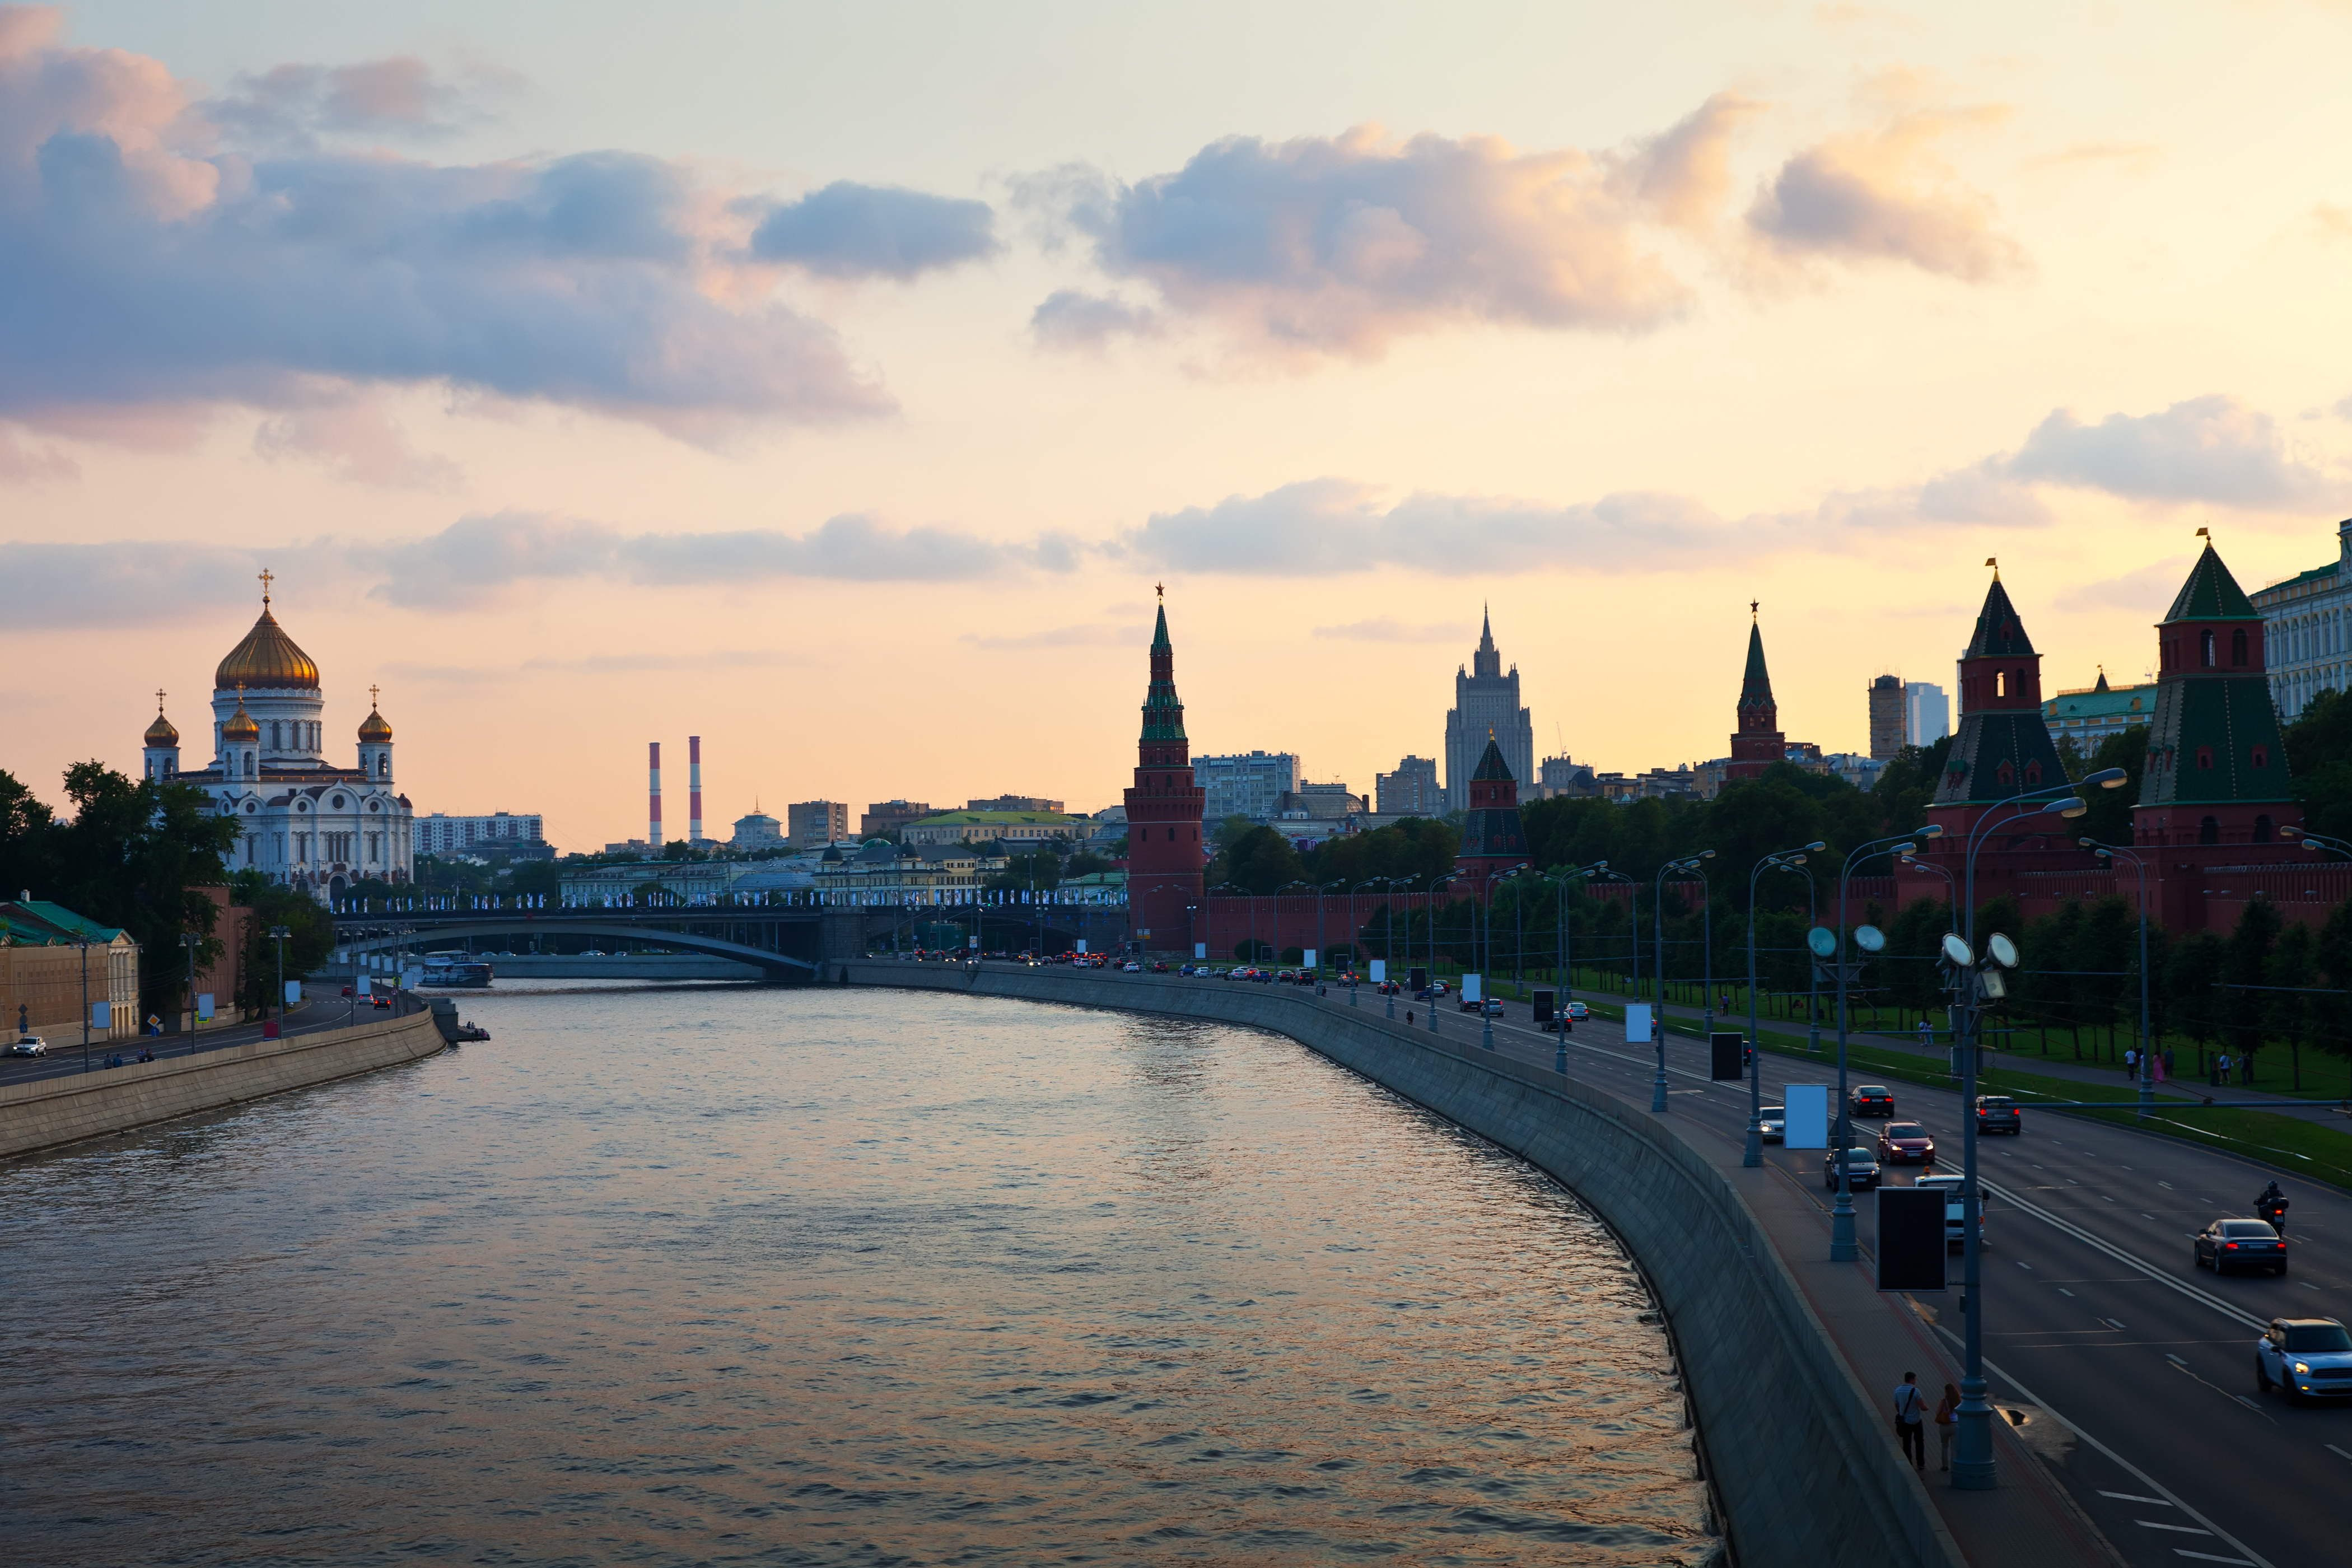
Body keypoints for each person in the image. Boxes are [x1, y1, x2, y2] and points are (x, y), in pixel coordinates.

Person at [1892, 1372, 1927, 1471]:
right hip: (1916, 1420)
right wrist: (1927, 1408)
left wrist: (1902, 1413)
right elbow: (1922, 1406)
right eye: (1915, 1379)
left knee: (1906, 1443)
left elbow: (1897, 1406)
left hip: (1905, 1422)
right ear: (1912, 1380)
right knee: (1919, 1441)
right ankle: (1920, 1463)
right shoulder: (1916, 1391)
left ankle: (1908, 1462)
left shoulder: (1897, 1391)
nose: (1916, 1381)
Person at [1934, 1382, 1961, 1472]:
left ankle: (1945, 1466)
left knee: (1944, 1446)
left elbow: (1937, 1413)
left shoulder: (1944, 1401)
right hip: (1955, 1425)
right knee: (1954, 1447)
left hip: (1945, 1426)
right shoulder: (1959, 1401)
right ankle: (1954, 1468)